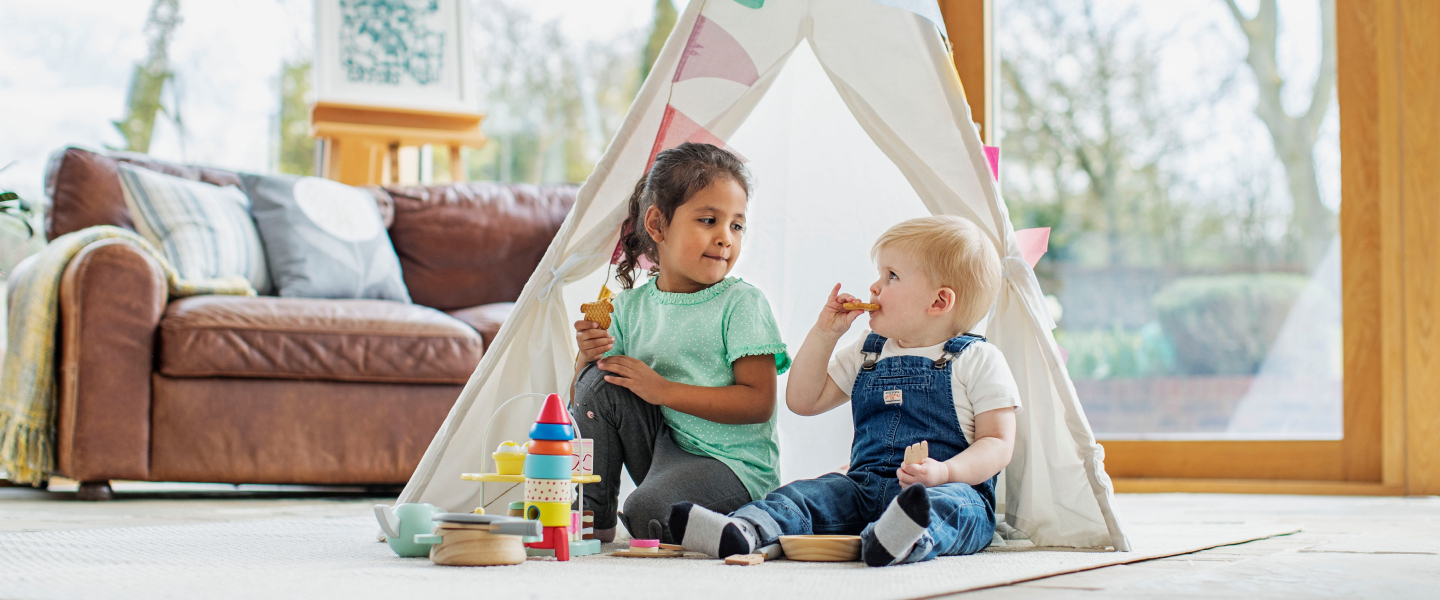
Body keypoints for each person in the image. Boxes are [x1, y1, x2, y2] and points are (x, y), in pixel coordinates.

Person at [668, 215, 1020, 566]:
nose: (875, 287)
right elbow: (803, 401)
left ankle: (903, 537)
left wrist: (946, 474)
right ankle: (745, 529)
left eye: (891, 276)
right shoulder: (869, 351)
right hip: (864, 486)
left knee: (956, 507)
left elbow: (997, 444)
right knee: (809, 493)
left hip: (944, 487)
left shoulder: (978, 359)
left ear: (939, 302)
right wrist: (825, 334)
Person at [570, 142, 790, 544]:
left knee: (646, 512)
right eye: (709, 220)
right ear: (657, 225)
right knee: (598, 380)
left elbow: (759, 404)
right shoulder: (629, 308)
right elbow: (587, 402)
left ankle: (752, 520)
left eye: (736, 225)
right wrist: (587, 355)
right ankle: (591, 516)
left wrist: (664, 390)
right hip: (662, 452)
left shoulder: (741, 303)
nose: (726, 238)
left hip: (731, 464)